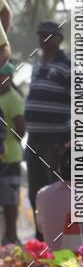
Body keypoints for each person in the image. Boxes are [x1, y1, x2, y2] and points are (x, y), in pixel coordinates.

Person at [24, 20, 70, 236]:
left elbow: (76, 104)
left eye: (47, 35)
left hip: (55, 141)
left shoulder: (67, 66)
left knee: (54, 191)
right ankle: (40, 239)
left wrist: (67, 141)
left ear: (58, 39)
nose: (42, 39)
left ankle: (56, 237)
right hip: (34, 139)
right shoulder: (37, 66)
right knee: (35, 192)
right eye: (40, 35)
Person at [0, 62, 25, 243]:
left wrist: (6, 139)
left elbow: (21, 129)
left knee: (9, 202)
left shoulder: (13, 98)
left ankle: (11, 238)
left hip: (10, 158)